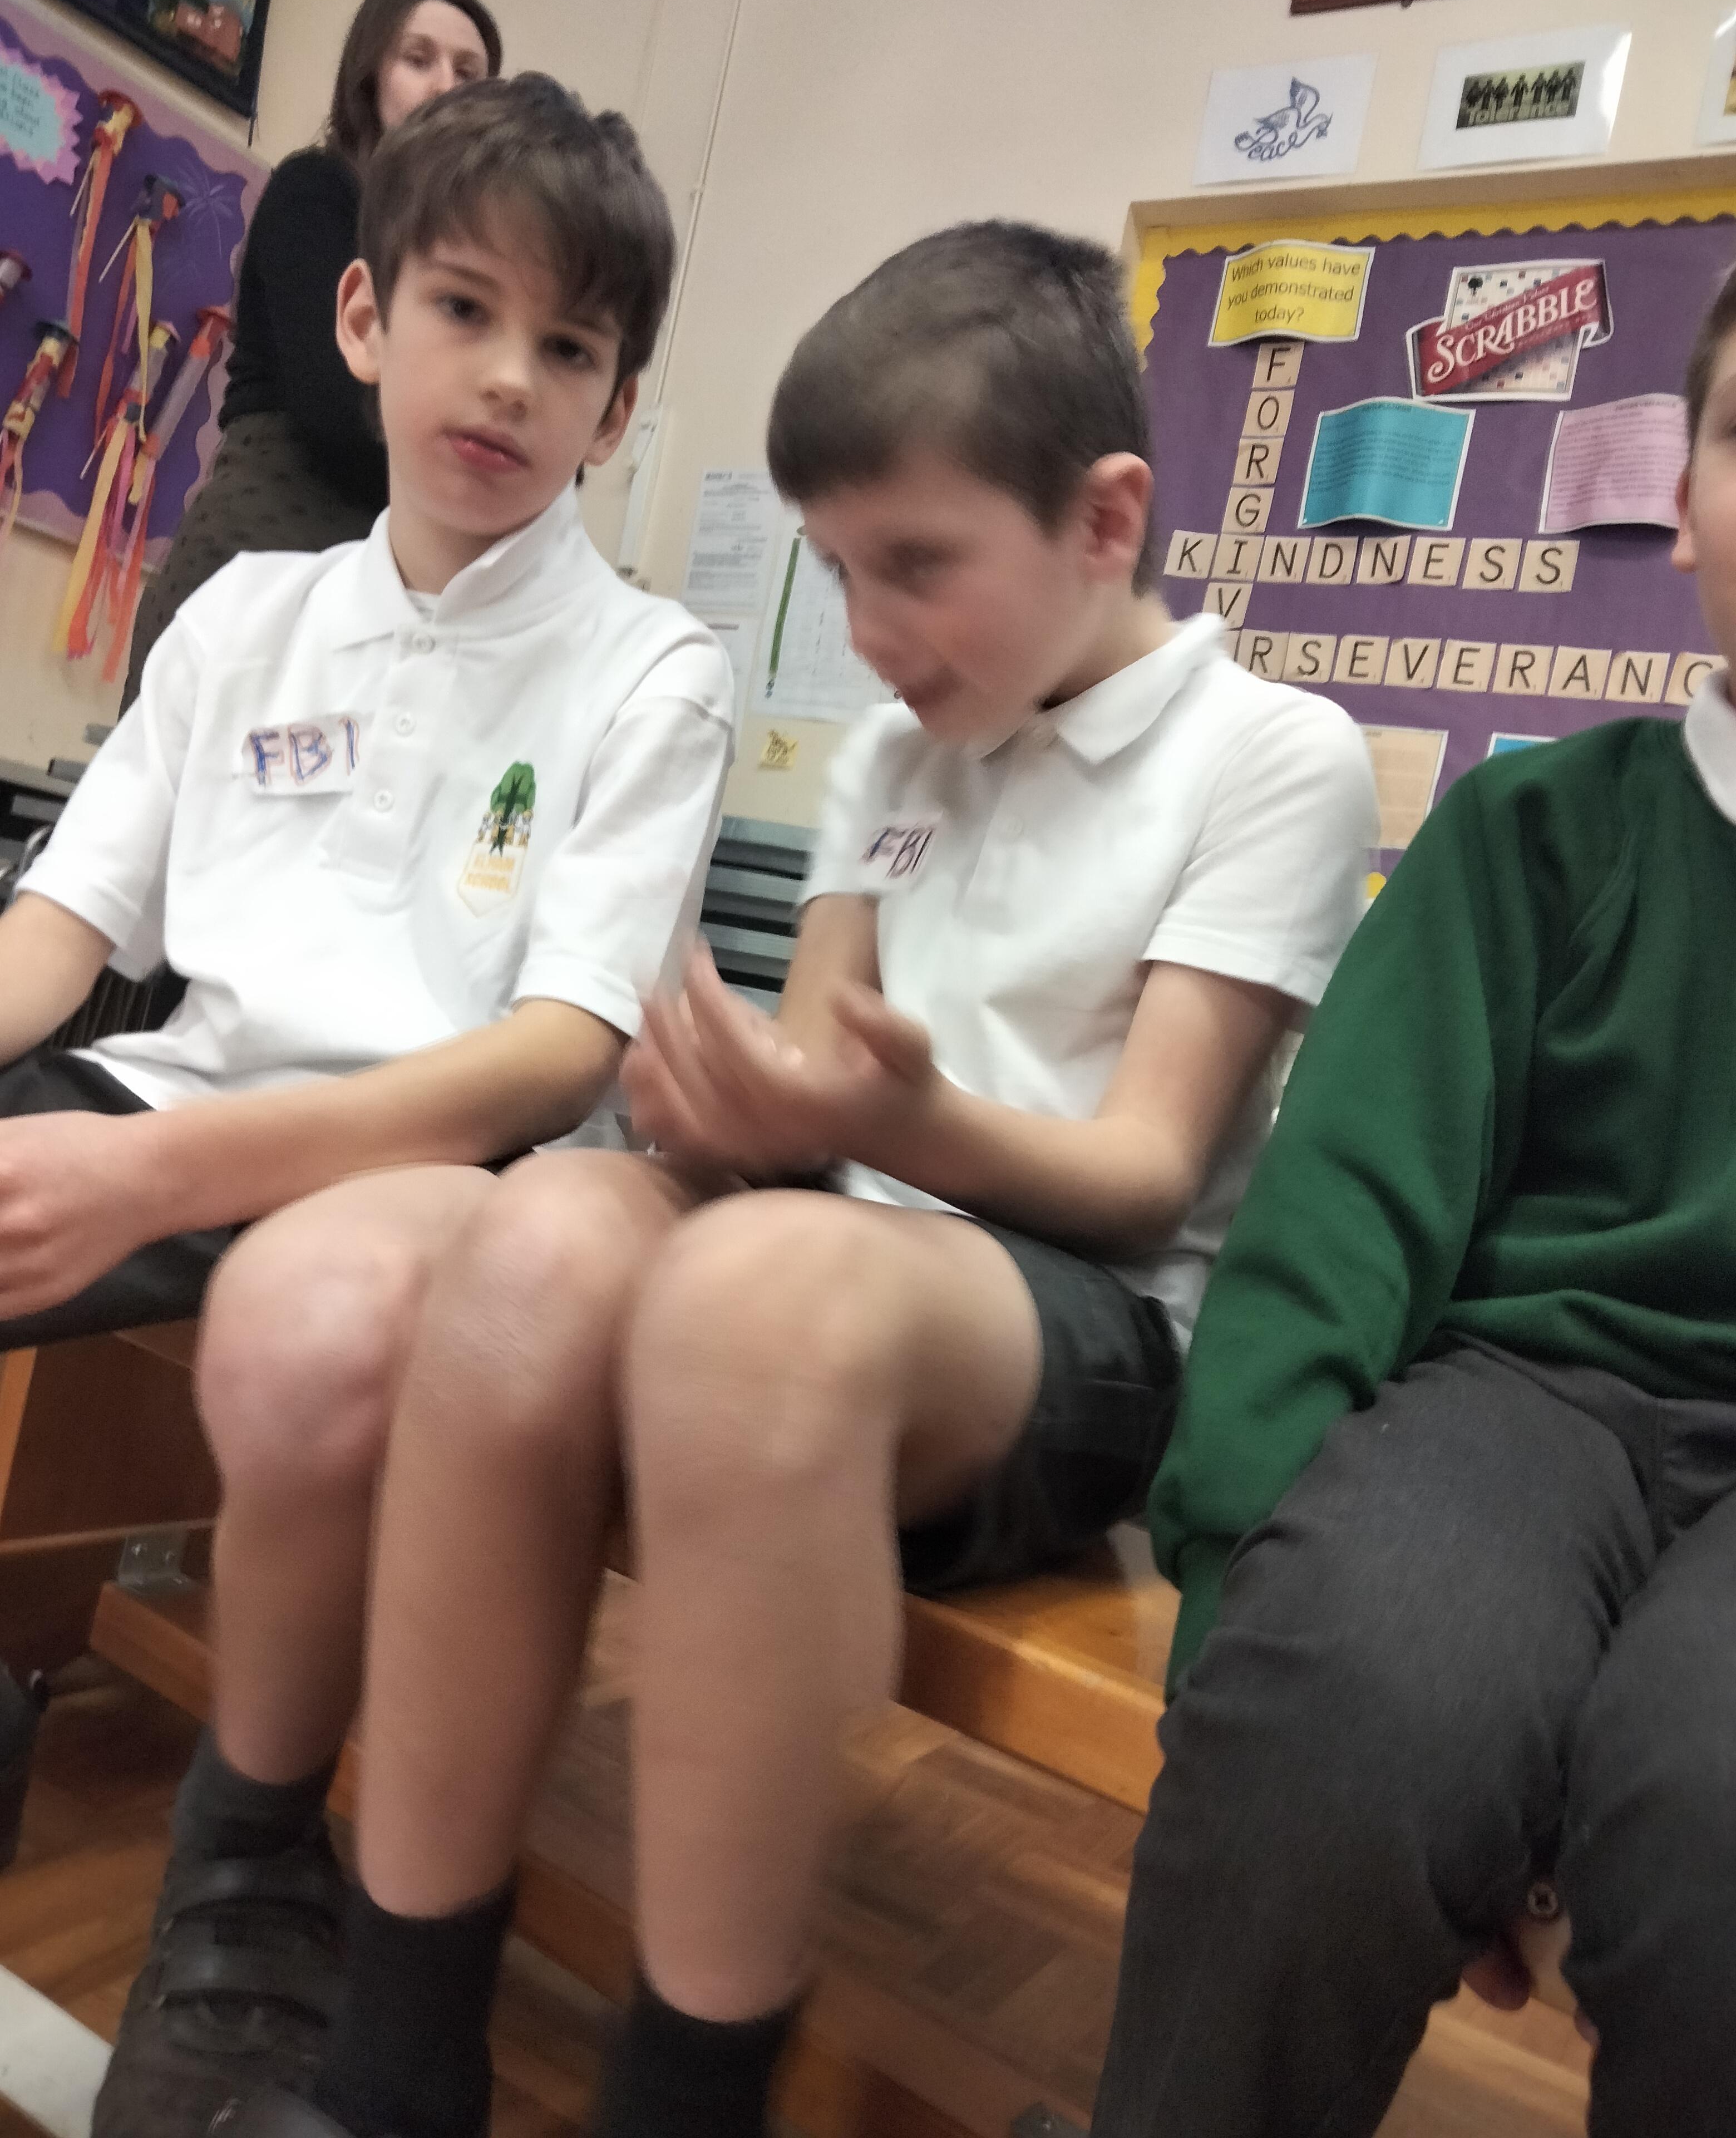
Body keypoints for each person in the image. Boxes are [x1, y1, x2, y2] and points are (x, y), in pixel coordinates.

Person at [177, 220, 1377, 2138]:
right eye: (839, 571)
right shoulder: (897, 759)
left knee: (750, 1305)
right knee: (535, 1240)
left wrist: (876, 1122)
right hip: (841, 1240)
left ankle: (688, 2099)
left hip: (1082, 1319)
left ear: (1105, 519)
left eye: (920, 566)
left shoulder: (1272, 754)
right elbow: (820, 1084)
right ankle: (392, 2069)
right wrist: (723, 1102)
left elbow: (1146, 1175)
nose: (875, 632)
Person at [1, 71, 732, 2134]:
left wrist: (149, 1173)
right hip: (175, 1090)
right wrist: (125, 1137)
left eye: (568, 348)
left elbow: (558, 1051)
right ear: (363, 319)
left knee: (306, 1324)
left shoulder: (652, 667)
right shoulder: (249, 613)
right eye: (463, 310)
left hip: (440, 1163)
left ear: (617, 408)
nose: (504, 378)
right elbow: (64, 925)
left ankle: (240, 1884)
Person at [1088, 262, 1736, 2138]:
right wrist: (1241, 1614)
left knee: (1717, 1819)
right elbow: (1334, 1225)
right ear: (1686, 499)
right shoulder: (1541, 833)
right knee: (1344, 1706)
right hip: (1522, 1404)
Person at [120, 0, 503, 708]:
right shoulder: (319, 190)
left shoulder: (480, 259)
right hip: (267, 554)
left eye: (469, 72)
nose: (445, 86)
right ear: (370, 77)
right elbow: (339, 411)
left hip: (387, 593)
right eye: (418, 59)